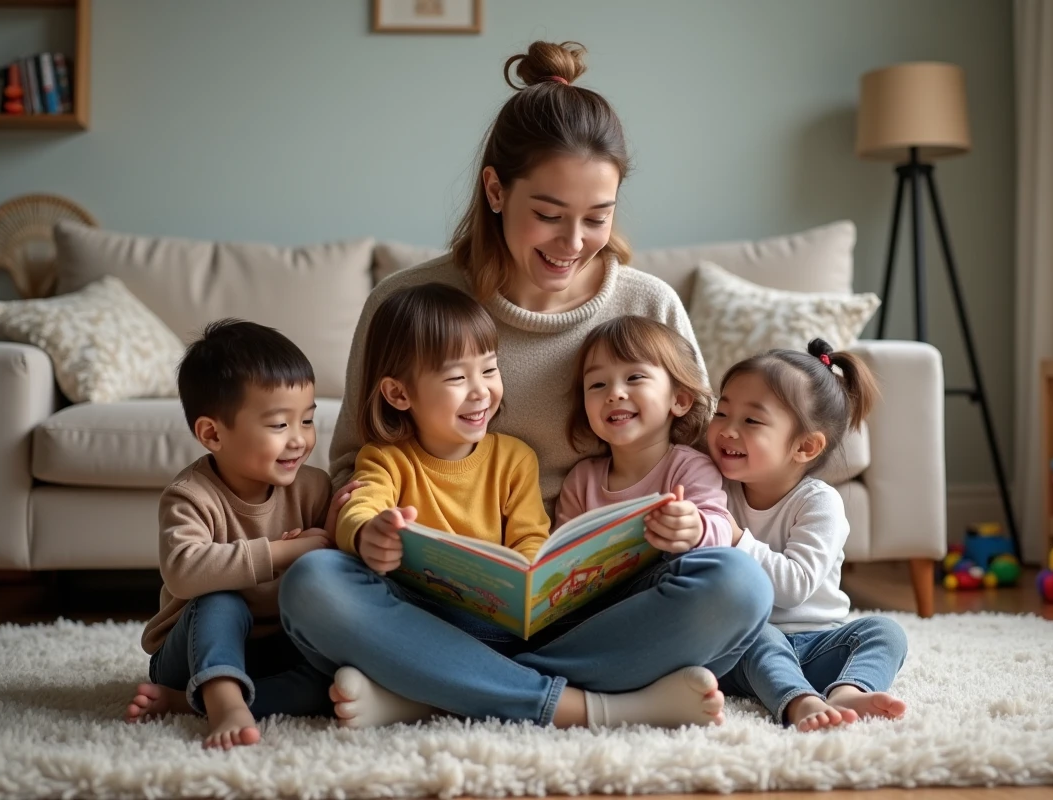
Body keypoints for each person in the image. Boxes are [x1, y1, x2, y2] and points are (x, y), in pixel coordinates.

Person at [280, 40, 769, 730]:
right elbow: (349, 470)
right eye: (549, 214)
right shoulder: (409, 302)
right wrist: (373, 535)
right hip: (435, 601)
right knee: (314, 587)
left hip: (601, 602)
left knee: (736, 586)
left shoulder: (648, 305)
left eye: (597, 217)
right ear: (495, 190)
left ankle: (434, 688)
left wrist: (680, 530)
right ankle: (583, 706)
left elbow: (703, 468)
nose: (573, 241)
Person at [124, 320, 357, 749]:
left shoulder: (314, 487)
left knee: (332, 685)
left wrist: (336, 532)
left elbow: (332, 564)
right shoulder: (190, 496)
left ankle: (191, 702)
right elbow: (184, 571)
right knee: (219, 597)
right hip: (193, 650)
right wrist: (286, 549)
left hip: (276, 650)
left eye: (306, 420)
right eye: (278, 426)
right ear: (213, 433)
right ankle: (222, 698)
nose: (300, 440)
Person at [710, 339, 909, 731]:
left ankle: (848, 690)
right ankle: (798, 702)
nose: (727, 431)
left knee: (885, 631)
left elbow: (795, 586)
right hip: (750, 650)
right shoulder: (714, 487)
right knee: (755, 633)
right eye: (722, 412)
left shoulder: (819, 503)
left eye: (751, 421)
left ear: (804, 446)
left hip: (818, 645)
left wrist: (735, 538)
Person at [555, 316, 733, 555]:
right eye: (597, 384)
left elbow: (722, 530)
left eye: (634, 378)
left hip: (673, 576)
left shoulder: (690, 467)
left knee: (736, 573)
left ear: (679, 400)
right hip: (603, 591)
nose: (615, 393)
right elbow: (560, 557)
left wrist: (697, 528)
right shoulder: (581, 481)